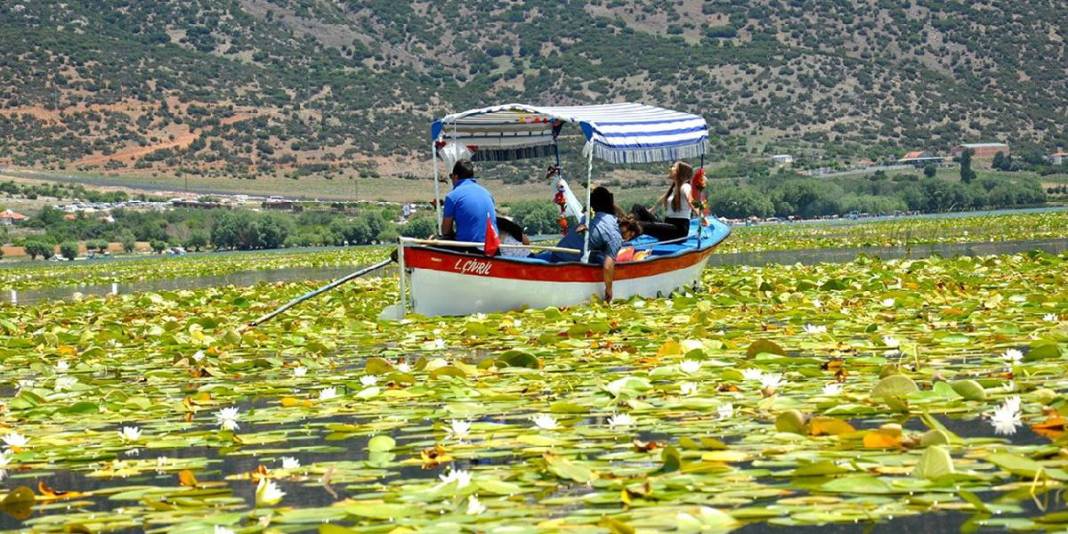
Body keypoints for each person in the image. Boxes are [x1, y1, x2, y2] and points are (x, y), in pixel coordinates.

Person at [538, 186, 623, 301]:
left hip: (557, 252)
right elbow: (608, 266)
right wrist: (609, 289)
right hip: (568, 264)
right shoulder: (614, 234)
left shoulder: (586, 218)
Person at [631, 161, 696, 241]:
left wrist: (702, 217)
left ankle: (628, 232)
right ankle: (628, 224)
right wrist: (648, 213)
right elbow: (659, 203)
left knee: (639, 225)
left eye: (674, 167)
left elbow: (691, 200)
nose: (670, 169)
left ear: (680, 173)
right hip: (668, 225)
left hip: (678, 230)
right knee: (638, 208)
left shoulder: (685, 187)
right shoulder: (674, 188)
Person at [441, 159, 497, 251]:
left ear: (455, 177)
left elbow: (446, 231)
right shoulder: (487, 193)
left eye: (451, 177)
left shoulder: (452, 196)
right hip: (492, 248)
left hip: (470, 250)